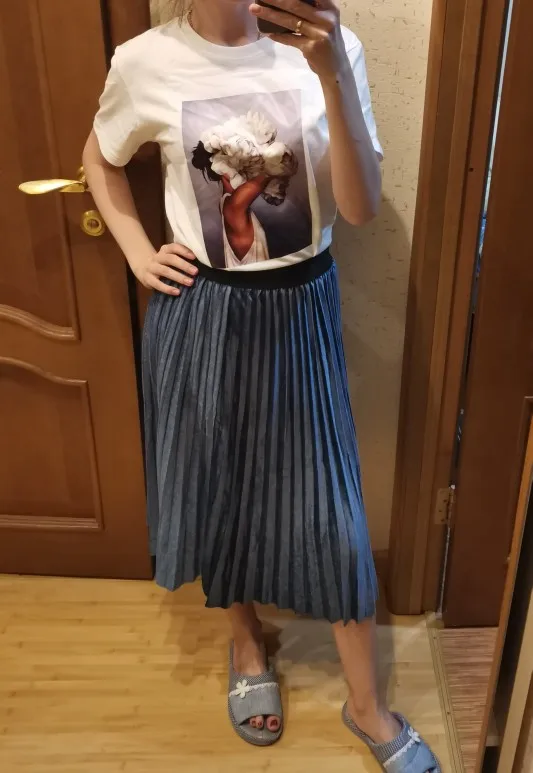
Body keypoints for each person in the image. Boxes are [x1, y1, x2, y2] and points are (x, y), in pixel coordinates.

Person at [83, 1, 440, 770]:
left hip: (301, 306)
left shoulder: (328, 51)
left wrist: (330, 72)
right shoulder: (144, 61)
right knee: (219, 486)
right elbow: (100, 159)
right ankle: (245, 640)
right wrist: (138, 251)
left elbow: (358, 207)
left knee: (333, 511)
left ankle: (365, 704)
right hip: (202, 311)